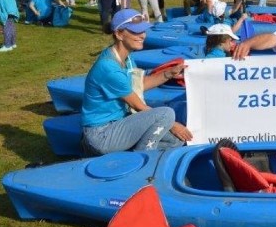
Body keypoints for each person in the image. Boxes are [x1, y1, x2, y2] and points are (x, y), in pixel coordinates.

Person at [80, 9, 192, 155]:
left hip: (117, 123)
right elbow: (137, 105)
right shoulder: (109, 67)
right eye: (135, 32)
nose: (143, 35)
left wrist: (169, 74)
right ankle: (143, 160)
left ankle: (127, 155)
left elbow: (139, 86)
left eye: (143, 31)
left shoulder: (126, 58)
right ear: (119, 34)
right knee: (166, 114)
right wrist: (173, 125)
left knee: (175, 141)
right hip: (101, 134)